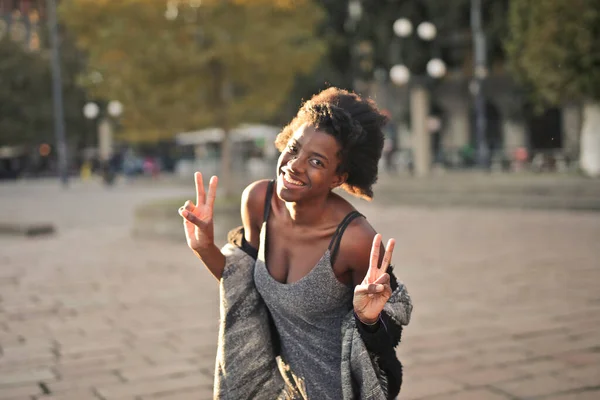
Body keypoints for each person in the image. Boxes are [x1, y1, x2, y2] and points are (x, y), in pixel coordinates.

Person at [179, 87, 412, 399]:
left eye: (316, 162)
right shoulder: (259, 200)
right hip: (284, 388)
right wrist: (204, 246)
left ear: (338, 177)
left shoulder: (355, 240)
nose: (294, 166)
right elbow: (242, 287)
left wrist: (369, 321)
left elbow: (385, 341)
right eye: (293, 148)